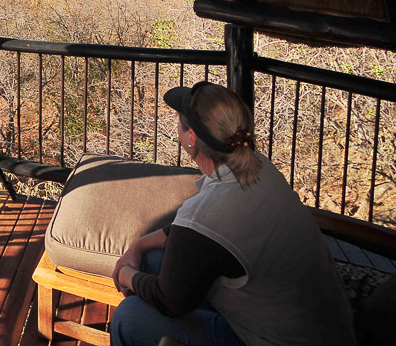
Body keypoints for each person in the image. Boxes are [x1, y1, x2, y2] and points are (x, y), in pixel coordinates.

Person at [110, 81, 355, 346]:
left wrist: (125, 275)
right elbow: (197, 238)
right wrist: (139, 244)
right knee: (153, 257)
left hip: (272, 339)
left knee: (129, 317)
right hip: (326, 328)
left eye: (180, 123)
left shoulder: (206, 214)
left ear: (190, 138)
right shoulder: (259, 167)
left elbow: (170, 301)